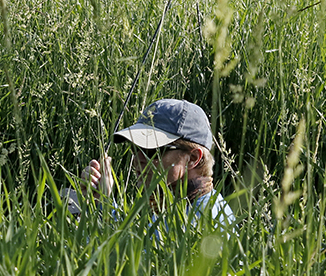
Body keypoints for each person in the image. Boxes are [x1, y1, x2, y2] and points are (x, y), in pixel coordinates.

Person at [78, 98, 235, 230]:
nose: (137, 158)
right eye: (135, 148)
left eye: (152, 150)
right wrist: (100, 202)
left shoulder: (206, 222)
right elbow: (129, 248)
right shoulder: (167, 206)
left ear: (193, 158)